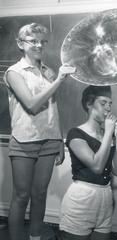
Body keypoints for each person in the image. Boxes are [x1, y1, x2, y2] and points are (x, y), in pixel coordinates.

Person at [3, 23, 75, 240]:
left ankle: (35, 237)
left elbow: (53, 108)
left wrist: (59, 140)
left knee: (40, 193)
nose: (39, 45)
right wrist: (60, 79)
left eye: (42, 41)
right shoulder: (14, 72)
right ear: (20, 44)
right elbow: (32, 105)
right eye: (33, 40)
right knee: (21, 196)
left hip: (49, 141)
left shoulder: (48, 71)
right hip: (24, 140)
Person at [59, 85, 117, 240]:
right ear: (89, 104)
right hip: (82, 199)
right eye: (103, 103)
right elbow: (97, 167)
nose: (108, 108)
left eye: (110, 104)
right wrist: (109, 132)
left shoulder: (108, 135)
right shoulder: (75, 134)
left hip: (106, 197)